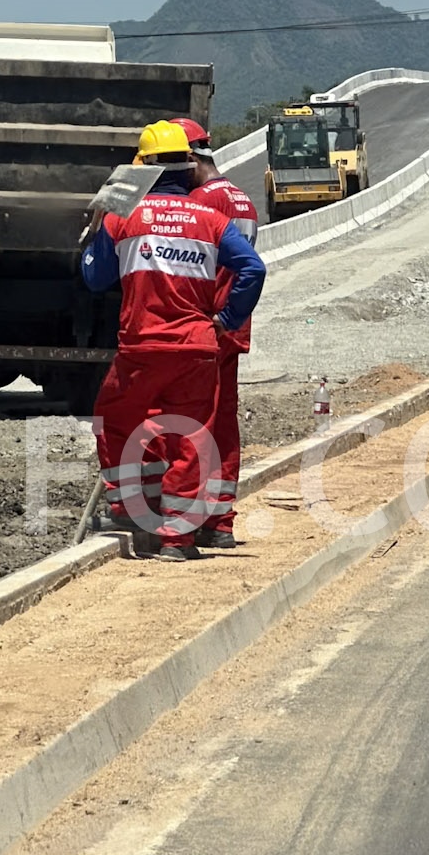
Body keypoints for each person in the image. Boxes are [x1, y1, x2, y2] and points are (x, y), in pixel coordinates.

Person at [81, 121, 265, 561]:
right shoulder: (213, 219)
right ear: (188, 166)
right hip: (198, 348)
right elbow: (253, 269)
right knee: (192, 439)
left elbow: (94, 278)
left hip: (142, 348)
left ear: (141, 170)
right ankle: (177, 541)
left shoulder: (122, 216)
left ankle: (127, 507)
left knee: (117, 421)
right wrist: (227, 318)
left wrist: (94, 233)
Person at [178, 117, 259, 549]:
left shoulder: (201, 202)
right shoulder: (242, 197)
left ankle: (186, 522)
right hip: (232, 327)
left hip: (208, 325)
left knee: (193, 424)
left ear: (191, 158)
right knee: (223, 423)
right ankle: (221, 522)